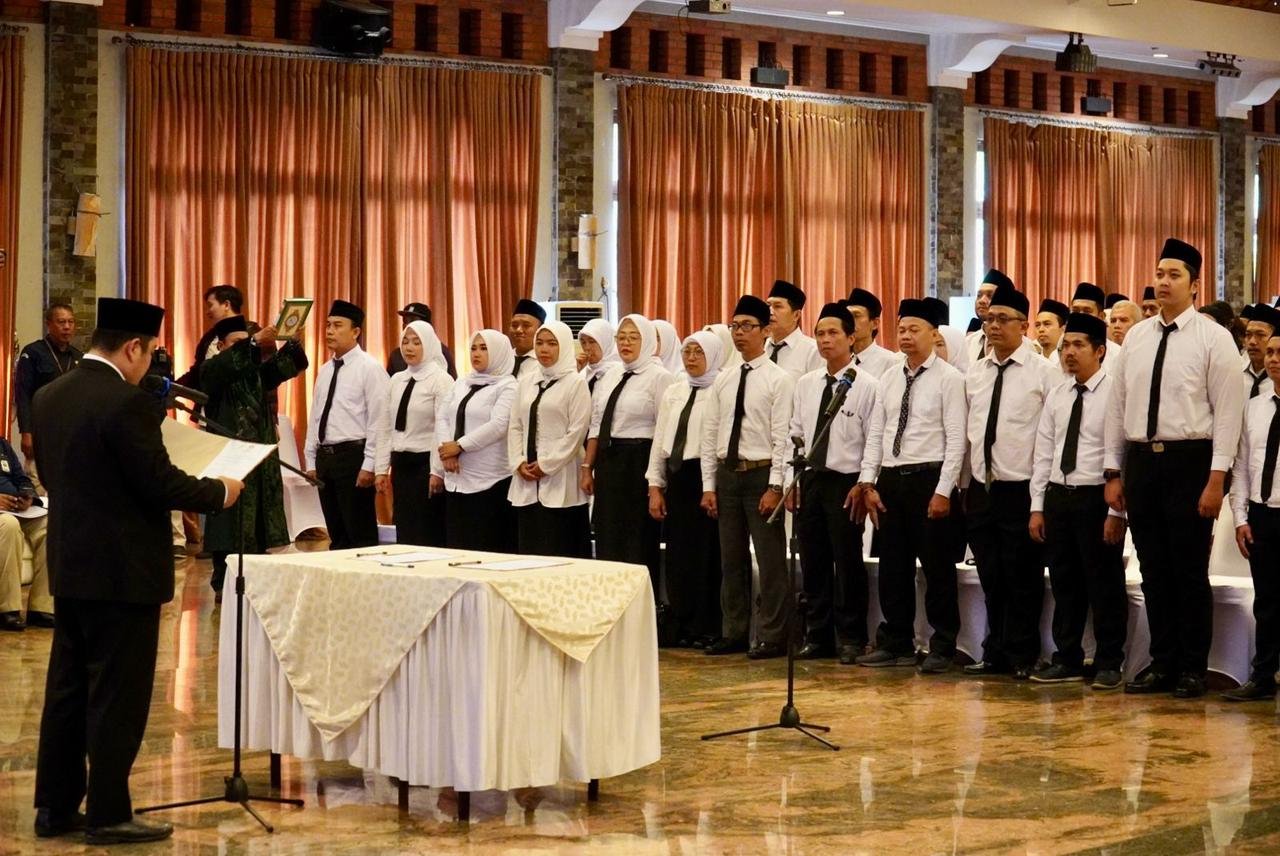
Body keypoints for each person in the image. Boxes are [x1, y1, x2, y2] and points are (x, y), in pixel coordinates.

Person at [32, 297, 240, 844]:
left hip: (71, 566)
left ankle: (54, 809)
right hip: (123, 574)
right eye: (148, 353)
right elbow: (158, 482)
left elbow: (52, 474)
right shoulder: (125, 403)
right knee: (117, 697)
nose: (148, 364)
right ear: (132, 348)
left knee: (68, 690)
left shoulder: (50, 395)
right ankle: (108, 813)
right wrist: (219, 492)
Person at [1104, 238, 1244, 699]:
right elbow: (1117, 407)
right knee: (1153, 568)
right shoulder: (1137, 338)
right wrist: (1113, 472)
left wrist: (1217, 478)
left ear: (1195, 285)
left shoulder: (1213, 339)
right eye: (1160, 274)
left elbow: (1228, 413)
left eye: (1175, 275)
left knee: (1187, 568)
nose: (1164, 282)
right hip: (1142, 460)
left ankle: (1191, 667)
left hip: (1191, 460)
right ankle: (1161, 662)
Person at [856, 299, 965, 673]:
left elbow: (956, 439)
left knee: (937, 569)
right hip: (891, 479)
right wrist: (868, 481)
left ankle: (942, 645)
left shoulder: (950, 379)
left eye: (914, 329)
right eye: (901, 329)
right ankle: (897, 641)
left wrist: (943, 490)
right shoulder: (889, 377)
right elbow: (877, 433)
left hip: (928, 479)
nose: (905, 335)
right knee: (893, 566)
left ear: (934, 334)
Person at [961, 282, 1058, 680]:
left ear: (1024, 325)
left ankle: (1022, 652)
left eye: (1003, 319)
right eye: (990, 319)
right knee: (991, 575)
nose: (994, 326)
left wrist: (1040, 499)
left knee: (1022, 577)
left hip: (1022, 489)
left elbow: (1050, 435)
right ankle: (994, 650)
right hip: (982, 487)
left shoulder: (1043, 373)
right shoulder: (976, 373)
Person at [1028, 313, 1129, 689]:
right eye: (1065, 346)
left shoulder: (1115, 393)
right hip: (1059, 495)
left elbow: (1121, 453)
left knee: (1104, 584)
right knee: (1065, 582)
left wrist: (1116, 511)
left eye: (1078, 345)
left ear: (1099, 351)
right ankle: (1067, 657)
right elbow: (1044, 454)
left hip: (1096, 496)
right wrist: (1037, 506)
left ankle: (1109, 661)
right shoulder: (1059, 394)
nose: (1069, 352)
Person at [700, 295, 795, 659]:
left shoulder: (778, 380)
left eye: (747, 326)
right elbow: (711, 434)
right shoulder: (724, 379)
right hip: (728, 476)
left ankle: (773, 635)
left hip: (760, 475)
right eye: (734, 326)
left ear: (765, 331)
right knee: (731, 559)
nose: (739, 333)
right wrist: (709, 485)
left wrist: (776, 486)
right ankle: (734, 631)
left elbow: (782, 437)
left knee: (770, 561)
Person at [788, 303, 882, 664]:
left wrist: (865, 482)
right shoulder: (807, 384)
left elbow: (873, 439)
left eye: (833, 333)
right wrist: (791, 481)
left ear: (851, 338)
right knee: (813, 560)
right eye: (820, 334)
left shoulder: (867, 385)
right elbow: (795, 433)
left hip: (847, 482)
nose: (825, 340)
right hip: (811, 477)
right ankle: (818, 635)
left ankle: (852, 637)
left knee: (846, 561)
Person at [199, 315, 308, 597]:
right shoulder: (212, 369)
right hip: (230, 462)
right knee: (229, 526)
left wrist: (293, 344)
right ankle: (224, 584)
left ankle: (256, 582)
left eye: (246, 342)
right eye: (236, 343)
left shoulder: (254, 373)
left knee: (258, 525)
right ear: (221, 346)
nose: (244, 347)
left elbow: (282, 367)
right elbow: (226, 367)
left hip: (258, 463)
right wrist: (255, 341)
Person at [582, 315, 675, 588]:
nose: (626, 343)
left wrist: (656, 482)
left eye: (634, 338)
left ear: (647, 342)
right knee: (608, 534)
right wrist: (588, 467)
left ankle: (641, 602)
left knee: (637, 538)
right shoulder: (611, 374)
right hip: (609, 461)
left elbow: (662, 431)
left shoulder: (660, 377)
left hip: (639, 461)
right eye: (621, 337)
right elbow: (597, 423)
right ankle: (609, 597)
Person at [648, 331, 725, 648]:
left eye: (698, 352)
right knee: (679, 554)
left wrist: (711, 486)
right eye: (687, 351)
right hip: (677, 476)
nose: (691, 358)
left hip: (705, 478)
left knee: (707, 554)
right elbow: (660, 439)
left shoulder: (720, 389)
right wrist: (655, 484)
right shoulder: (675, 390)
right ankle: (681, 621)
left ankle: (706, 625)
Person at [304, 300, 389, 550]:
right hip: (326, 458)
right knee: (336, 532)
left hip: (353, 457)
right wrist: (311, 460)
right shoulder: (325, 370)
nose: (330, 331)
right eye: (328, 325)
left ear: (355, 331)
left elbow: (379, 421)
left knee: (359, 533)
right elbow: (316, 416)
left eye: (338, 325)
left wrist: (370, 464)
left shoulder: (370, 368)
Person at [507, 320, 592, 557]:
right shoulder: (527, 381)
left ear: (564, 346)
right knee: (530, 550)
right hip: (526, 479)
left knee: (558, 547)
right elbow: (515, 425)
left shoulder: (575, 383)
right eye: (540, 343)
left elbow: (576, 432)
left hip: (561, 477)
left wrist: (546, 465)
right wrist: (518, 462)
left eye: (552, 344)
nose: (544, 349)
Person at [1226, 333, 1280, 701]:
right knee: (1267, 601)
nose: (1273, 358)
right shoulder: (1256, 407)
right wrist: (1240, 517)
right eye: (1271, 352)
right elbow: (1243, 466)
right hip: (1262, 515)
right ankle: (1262, 676)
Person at [436, 330, 519, 552]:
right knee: (458, 547)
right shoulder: (462, 382)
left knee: (486, 546)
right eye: (473, 348)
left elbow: (499, 425)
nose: (476, 353)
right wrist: (447, 450)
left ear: (498, 352)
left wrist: (459, 446)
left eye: (484, 348)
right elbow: (442, 416)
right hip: (456, 477)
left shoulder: (508, 386)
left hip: (490, 480)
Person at [375, 320, 455, 547]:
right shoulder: (396, 380)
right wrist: (381, 469)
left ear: (429, 344)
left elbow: (443, 427)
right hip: (401, 464)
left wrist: (437, 471)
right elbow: (385, 426)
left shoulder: (441, 379)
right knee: (404, 527)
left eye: (416, 342)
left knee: (426, 528)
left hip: (425, 465)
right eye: (405, 342)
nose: (409, 347)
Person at [16, 303, 81, 468]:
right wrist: (26, 432)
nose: (67, 327)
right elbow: (23, 394)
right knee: (38, 476)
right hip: (41, 430)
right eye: (61, 322)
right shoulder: (33, 352)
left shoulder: (78, 357)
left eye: (71, 322)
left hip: (69, 433)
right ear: (49, 324)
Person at [0, 437, 50, 630]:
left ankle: (42, 608)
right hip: (5, 516)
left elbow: (22, 478)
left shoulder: (2, 445)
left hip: (16, 507)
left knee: (50, 525)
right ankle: (7, 610)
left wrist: (27, 496)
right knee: (9, 525)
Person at [175, 284, 242, 400]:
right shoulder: (209, 337)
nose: (207, 312)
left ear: (226, 305)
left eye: (210, 305)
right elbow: (196, 374)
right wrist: (172, 388)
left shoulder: (253, 333)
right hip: (208, 407)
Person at [764, 279, 821, 379]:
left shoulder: (813, 351)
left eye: (778, 306)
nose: (770, 312)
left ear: (796, 315)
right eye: (768, 306)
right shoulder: (761, 347)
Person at [386, 302, 456, 379]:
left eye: (413, 321)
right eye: (405, 321)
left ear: (427, 325)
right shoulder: (396, 355)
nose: (408, 325)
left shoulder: (440, 352)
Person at [846, 288, 898, 378]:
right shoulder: (839, 359)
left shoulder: (891, 362)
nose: (849, 321)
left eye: (856, 316)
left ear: (875, 323)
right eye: (847, 316)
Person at [966, 270, 1011, 365]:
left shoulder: (1020, 345)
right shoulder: (968, 343)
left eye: (990, 296)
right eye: (979, 295)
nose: (982, 300)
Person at [1241, 304, 1279, 400]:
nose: (1252, 342)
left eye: (1260, 335)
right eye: (1248, 335)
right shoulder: (1235, 370)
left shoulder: (1277, 376)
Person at [578, 317, 620, 397]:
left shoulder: (619, 373)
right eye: (583, 342)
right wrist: (574, 372)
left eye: (592, 342)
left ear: (605, 342)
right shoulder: (583, 371)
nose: (587, 347)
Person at [509, 299, 547, 383]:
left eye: (526, 325)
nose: (518, 330)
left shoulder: (545, 364)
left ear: (540, 330)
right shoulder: (503, 359)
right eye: (514, 325)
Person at [1034, 299, 1068, 367]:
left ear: (1063, 329)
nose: (1041, 329)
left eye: (1047, 324)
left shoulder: (1068, 361)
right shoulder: (1032, 360)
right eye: (1037, 325)